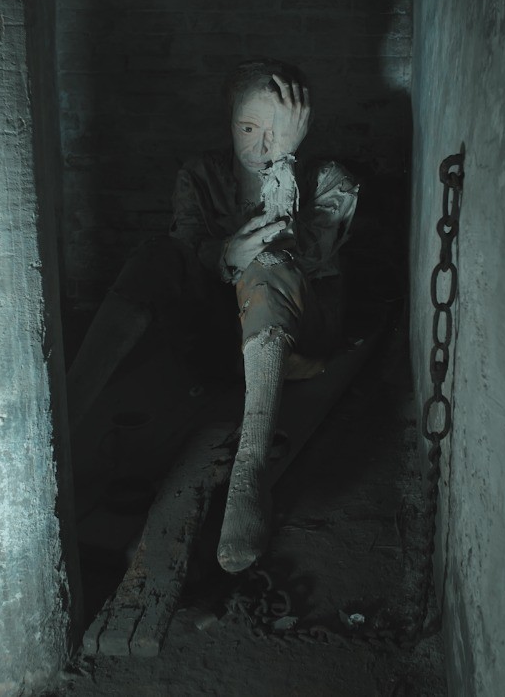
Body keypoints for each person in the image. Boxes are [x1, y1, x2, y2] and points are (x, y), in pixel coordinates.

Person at [66, 58, 360, 572]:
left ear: (301, 129)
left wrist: (284, 163)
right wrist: (226, 255)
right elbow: (185, 247)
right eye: (248, 128)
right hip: (214, 343)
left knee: (270, 263)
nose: (261, 146)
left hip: (293, 345)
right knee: (154, 256)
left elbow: (301, 255)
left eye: (278, 131)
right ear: (228, 122)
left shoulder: (333, 184)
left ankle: (250, 472)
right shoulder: (201, 175)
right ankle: (63, 422)